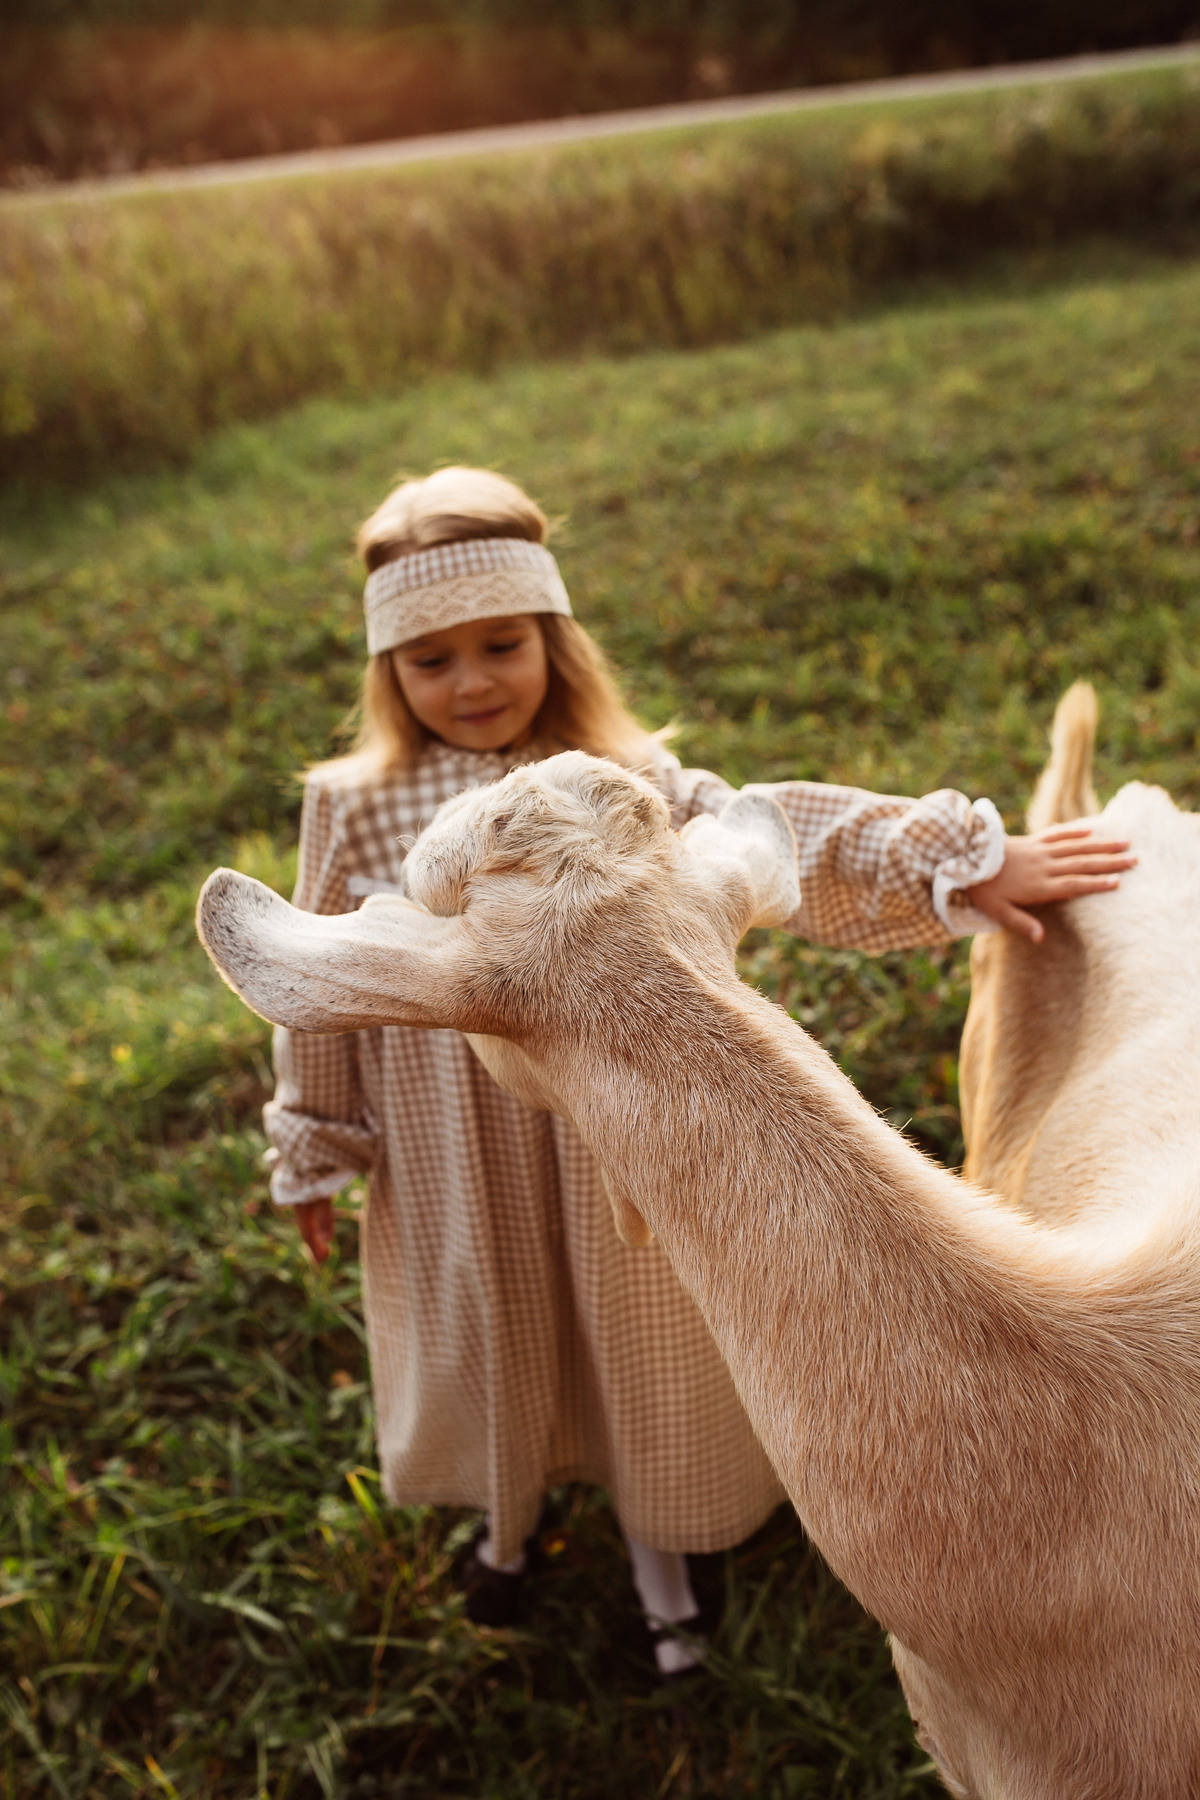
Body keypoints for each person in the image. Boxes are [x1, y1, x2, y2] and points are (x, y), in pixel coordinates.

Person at [264, 465, 1133, 1676]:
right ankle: (510, 1522)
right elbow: (324, 978)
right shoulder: (351, 808)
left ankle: (661, 1551)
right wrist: (316, 1136)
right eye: (430, 659)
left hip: (626, 1138)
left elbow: (776, 836)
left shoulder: (622, 788)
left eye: (501, 645)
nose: (469, 682)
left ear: (554, 641)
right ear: (387, 673)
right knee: (502, 1320)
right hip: (454, 1147)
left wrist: (959, 859)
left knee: (635, 1337)